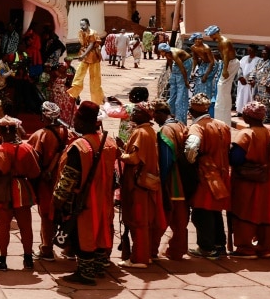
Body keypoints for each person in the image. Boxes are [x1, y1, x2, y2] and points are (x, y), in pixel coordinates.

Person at [52, 101, 118, 285]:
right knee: (100, 231)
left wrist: (58, 200)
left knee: (84, 234)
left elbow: (68, 179)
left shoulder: (79, 147)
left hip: (84, 201)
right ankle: (98, 267)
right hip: (104, 198)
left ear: (82, 121)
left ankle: (86, 273)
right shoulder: (109, 142)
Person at [0, 118, 40, 270]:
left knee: (2, 227)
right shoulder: (27, 148)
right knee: (26, 226)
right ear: (16, 131)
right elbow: (35, 172)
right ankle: (28, 258)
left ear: (0, 133)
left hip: (2, 192)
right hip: (23, 190)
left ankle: (2, 260)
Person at [118, 103, 166, 268]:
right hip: (147, 182)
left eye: (136, 112)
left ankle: (139, 258)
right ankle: (145, 254)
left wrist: (120, 154)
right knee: (145, 220)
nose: (133, 114)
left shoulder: (140, 132)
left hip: (138, 184)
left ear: (144, 115)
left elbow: (134, 159)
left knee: (139, 221)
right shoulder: (150, 131)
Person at [185, 92, 231, 259]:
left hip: (207, 174)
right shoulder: (222, 125)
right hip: (222, 172)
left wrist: (190, 161)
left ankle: (207, 247)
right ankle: (219, 245)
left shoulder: (197, 127)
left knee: (201, 211)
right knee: (215, 210)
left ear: (192, 111)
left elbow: (191, 148)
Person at [27, 101, 73, 261]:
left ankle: (46, 248)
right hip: (66, 182)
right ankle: (69, 248)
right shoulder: (68, 133)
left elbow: (32, 159)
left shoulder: (40, 135)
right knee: (66, 214)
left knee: (47, 215)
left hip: (47, 183)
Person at [229, 101, 270, 258]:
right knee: (266, 212)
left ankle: (245, 247)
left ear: (248, 117)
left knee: (246, 212)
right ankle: (266, 247)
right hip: (268, 181)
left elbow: (235, 159)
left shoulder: (246, 134)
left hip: (247, 181)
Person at [155, 100, 193, 260]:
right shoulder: (181, 124)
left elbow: (166, 159)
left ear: (159, 114)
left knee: (166, 214)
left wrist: (161, 180)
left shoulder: (165, 130)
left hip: (173, 178)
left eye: (154, 115)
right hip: (185, 176)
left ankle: (151, 249)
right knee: (181, 215)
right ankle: (178, 249)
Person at [67, 19, 104, 105]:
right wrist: (82, 54)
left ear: (88, 24)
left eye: (83, 25)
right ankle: (73, 93)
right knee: (79, 74)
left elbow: (91, 45)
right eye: (81, 25)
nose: (82, 27)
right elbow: (82, 44)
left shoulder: (93, 33)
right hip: (84, 54)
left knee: (95, 79)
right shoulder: (81, 32)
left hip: (93, 56)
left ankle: (96, 100)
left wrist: (83, 55)